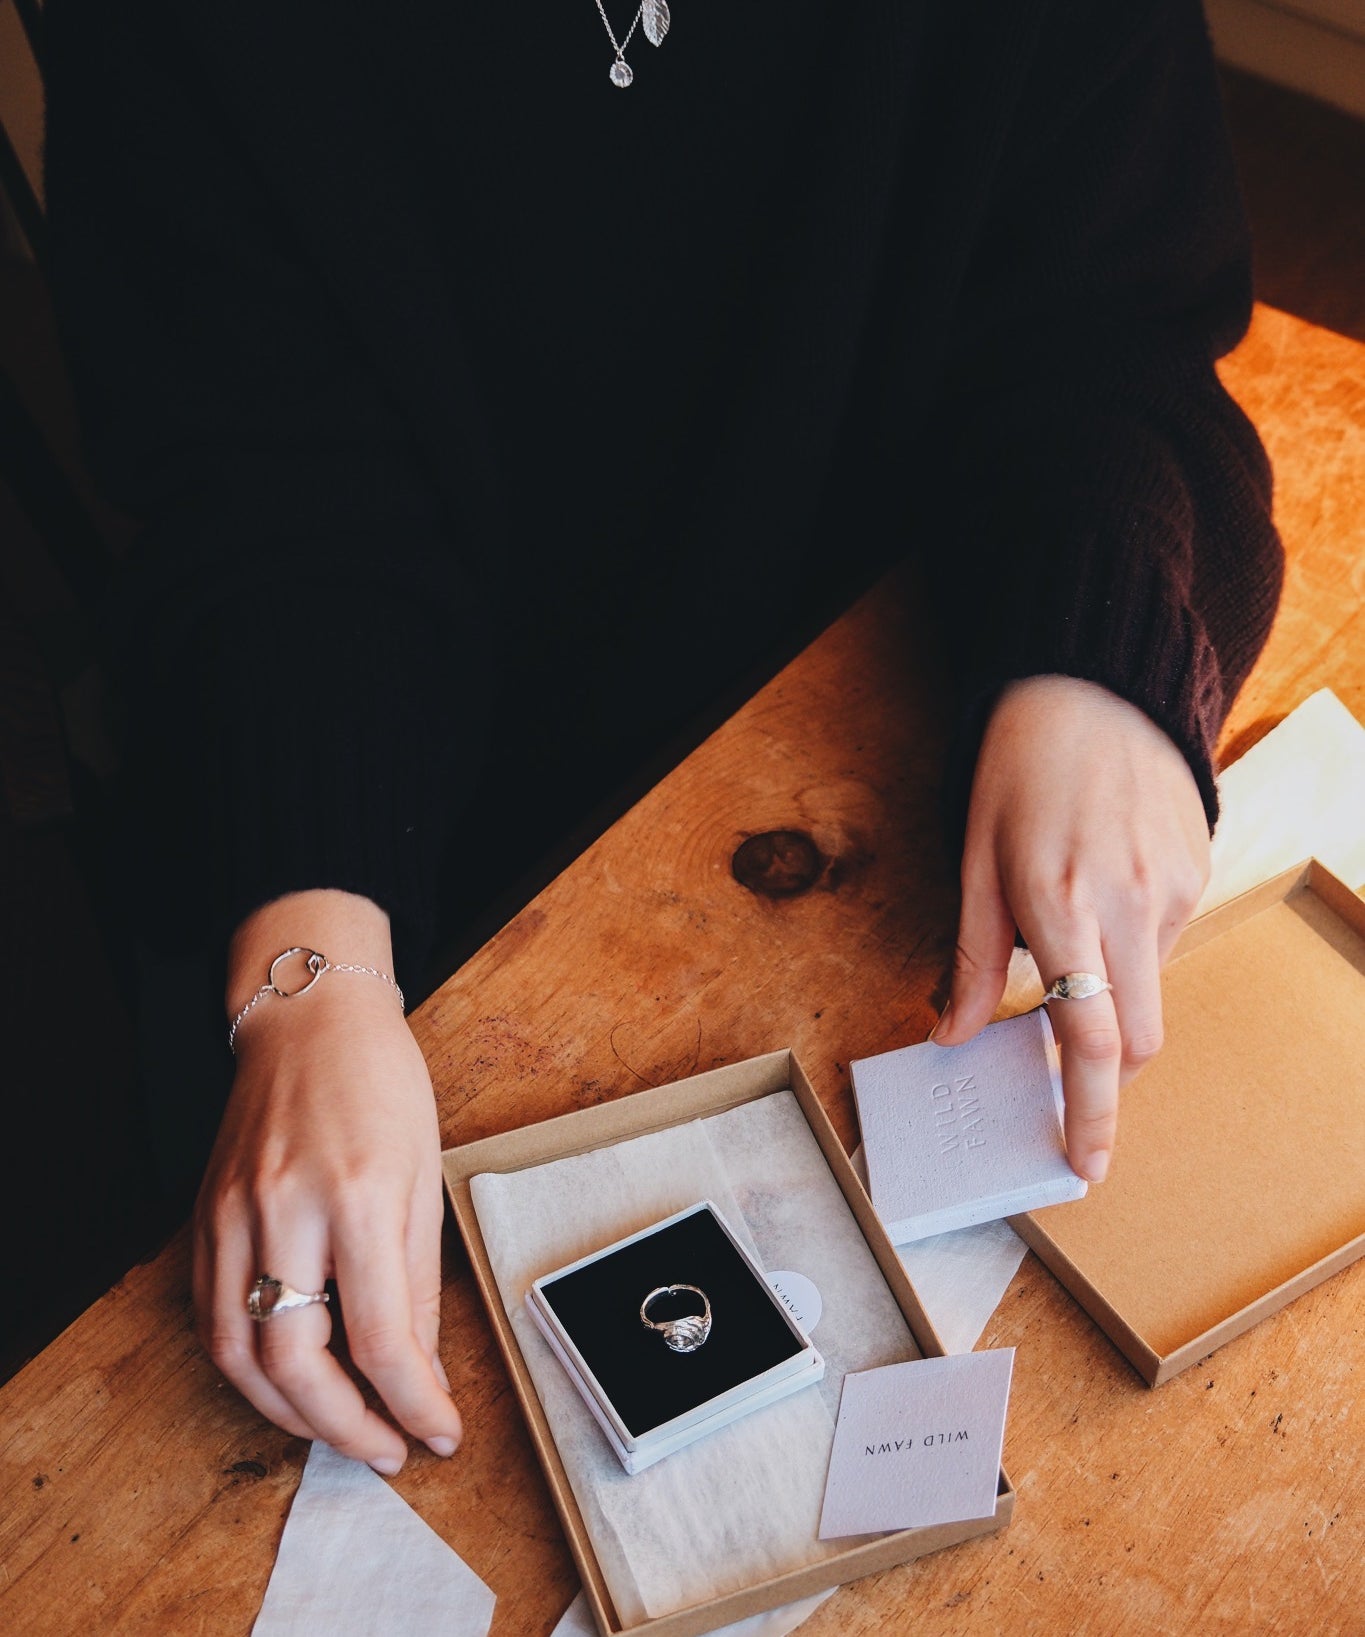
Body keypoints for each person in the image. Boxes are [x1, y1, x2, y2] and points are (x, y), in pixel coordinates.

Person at [42, 0, 1282, 1476]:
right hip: (423, 857)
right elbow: (269, 501)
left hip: (910, 744)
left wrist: (1099, 657)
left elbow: (1110, 322)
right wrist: (308, 973)